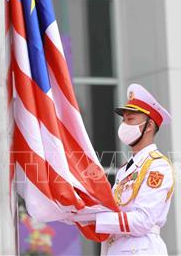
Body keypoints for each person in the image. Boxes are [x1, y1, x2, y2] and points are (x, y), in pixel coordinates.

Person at [73, 84, 174, 255]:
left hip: (142, 249)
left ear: (149, 126)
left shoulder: (158, 166)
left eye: (130, 119)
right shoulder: (124, 170)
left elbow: (143, 221)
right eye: (124, 120)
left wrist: (98, 219)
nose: (124, 125)